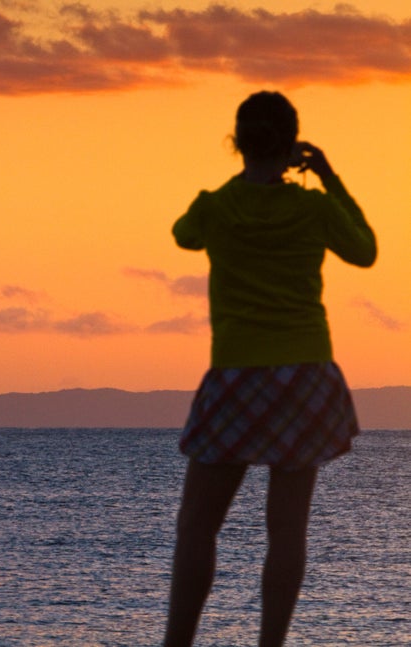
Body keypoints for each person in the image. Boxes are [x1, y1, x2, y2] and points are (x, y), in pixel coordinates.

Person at [163, 91, 377, 647]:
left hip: (236, 374)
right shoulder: (313, 207)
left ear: (236, 143)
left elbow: (183, 234)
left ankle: (177, 642)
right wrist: (328, 176)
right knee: (285, 531)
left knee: (197, 525)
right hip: (304, 376)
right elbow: (365, 249)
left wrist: (231, 191)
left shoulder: (215, 206)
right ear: (292, 147)